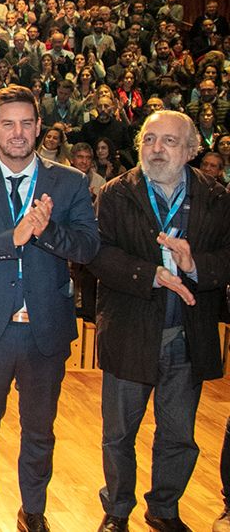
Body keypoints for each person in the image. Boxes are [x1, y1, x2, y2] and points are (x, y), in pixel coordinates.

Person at [0, 85, 99, 532]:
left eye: (26, 123)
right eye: (7, 123)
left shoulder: (68, 181)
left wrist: (47, 233)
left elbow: (88, 246)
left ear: (40, 127)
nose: (17, 132)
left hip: (45, 329)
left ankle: (33, 511)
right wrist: (11, 239)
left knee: (40, 431)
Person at [87, 110, 230, 532]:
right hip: (130, 331)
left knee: (178, 436)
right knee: (118, 436)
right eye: (149, 139)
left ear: (191, 150)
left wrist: (196, 264)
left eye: (169, 141)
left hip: (189, 335)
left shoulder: (217, 197)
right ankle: (116, 510)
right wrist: (150, 273)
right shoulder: (115, 193)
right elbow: (97, 254)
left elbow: (227, 256)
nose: (156, 149)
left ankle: (164, 509)